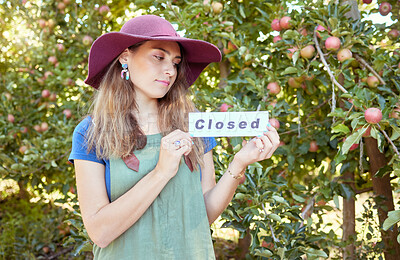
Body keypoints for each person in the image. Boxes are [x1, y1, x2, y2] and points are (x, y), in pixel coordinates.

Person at [69, 15, 280, 259]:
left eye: (176, 62)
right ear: (125, 57)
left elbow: (204, 215)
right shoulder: (93, 131)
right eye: (158, 57)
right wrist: (161, 172)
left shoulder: (194, 124)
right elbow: (100, 232)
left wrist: (239, 163)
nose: (170, 70)